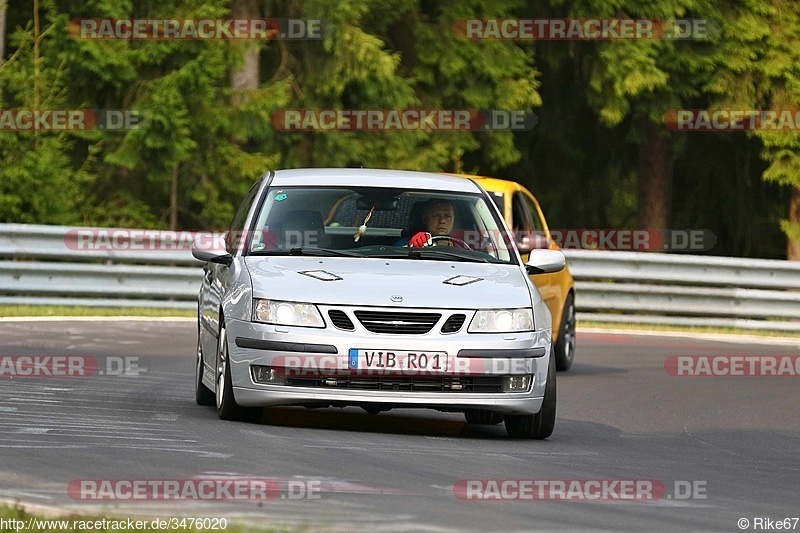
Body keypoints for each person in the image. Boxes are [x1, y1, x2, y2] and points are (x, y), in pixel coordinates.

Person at [395, 199, 467, 249]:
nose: (442, 221)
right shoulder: (407, 242)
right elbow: (394, 257)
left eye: (447, 216)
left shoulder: (461, 248)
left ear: (453, 220)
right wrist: (410, 247)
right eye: (436, 216)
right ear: (424, 219)